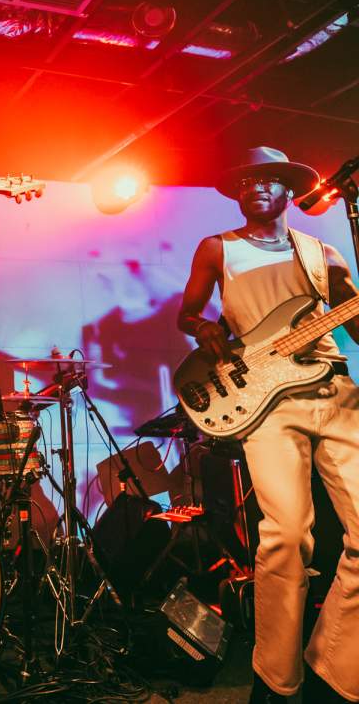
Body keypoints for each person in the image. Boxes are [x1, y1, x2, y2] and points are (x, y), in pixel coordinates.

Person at [177, 147, 359, 704]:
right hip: (267, 403)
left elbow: (351, 314)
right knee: (286, 538)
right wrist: (203, 329)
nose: (255, 185)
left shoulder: (320, 251)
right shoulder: (218, 248)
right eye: (246, 179)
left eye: (268, 179)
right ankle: (276, 682)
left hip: (335, 389)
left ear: (286, 193)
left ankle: (335, 669)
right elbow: (188, 312)